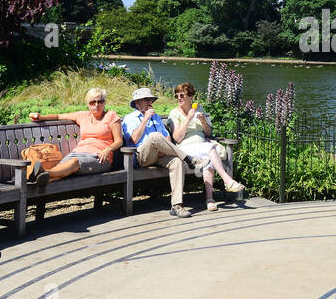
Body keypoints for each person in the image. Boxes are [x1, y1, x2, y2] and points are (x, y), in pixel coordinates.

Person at [167, 82, 244, 211]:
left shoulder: (200, 109)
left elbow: (208, 133)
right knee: (210, 149)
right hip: (185, 149)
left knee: (208, 159)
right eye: (177, 96)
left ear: (190, 96)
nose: (178, 98)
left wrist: (203, 122)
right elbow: (177, 138)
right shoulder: (174, 113)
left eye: (182, 95)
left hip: (201, 146)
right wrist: (188, 118)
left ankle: (210, 199)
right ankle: (228, 180)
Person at [28, 88, 123, 191]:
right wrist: (40, 117)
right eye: (93, 102)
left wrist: (107, 149)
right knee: (61, 171)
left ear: (104, 102)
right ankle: (40, 179)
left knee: (73, 163)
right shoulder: (83, 116)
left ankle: (44, 172)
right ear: (88, 104)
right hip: (76, 154)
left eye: (100, 101)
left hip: (99, 158)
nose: (97, 105)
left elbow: (119, 141)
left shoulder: (111, 115)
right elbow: (58, 116)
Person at [121, 87, 194, 218]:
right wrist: (145, 119)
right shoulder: (129, 118)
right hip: (141, 156)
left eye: (151, 100)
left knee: (176, 162)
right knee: (154, 136)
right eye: (146, 100)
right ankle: (188, 158)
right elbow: (133, 139)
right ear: (137, 103)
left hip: (160, 155)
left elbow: (167, 138)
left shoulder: (156, 118)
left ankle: (177, 205)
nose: (150, 102)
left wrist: (163, 150)